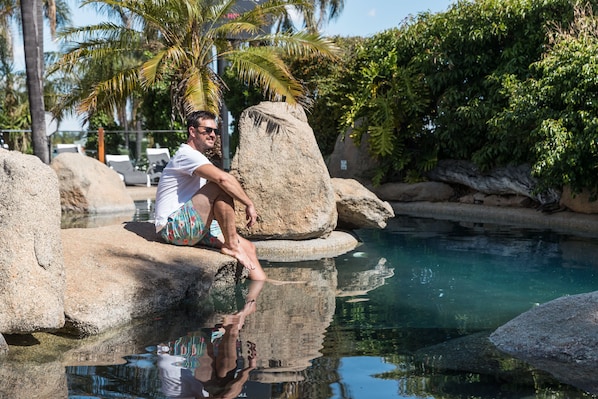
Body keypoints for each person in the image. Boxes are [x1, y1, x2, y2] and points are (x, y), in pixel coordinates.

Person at [154, 110, 266, 281]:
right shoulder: (186, 155)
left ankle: (261, 284)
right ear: (192, 131)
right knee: (219, 185)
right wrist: (249, 204)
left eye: (215, 131)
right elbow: (223, 179)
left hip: (191, 224)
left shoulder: (198, 158)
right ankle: (230, 246)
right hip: (172, 227)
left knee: (248, 247)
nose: (213, 135)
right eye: (207, 130)